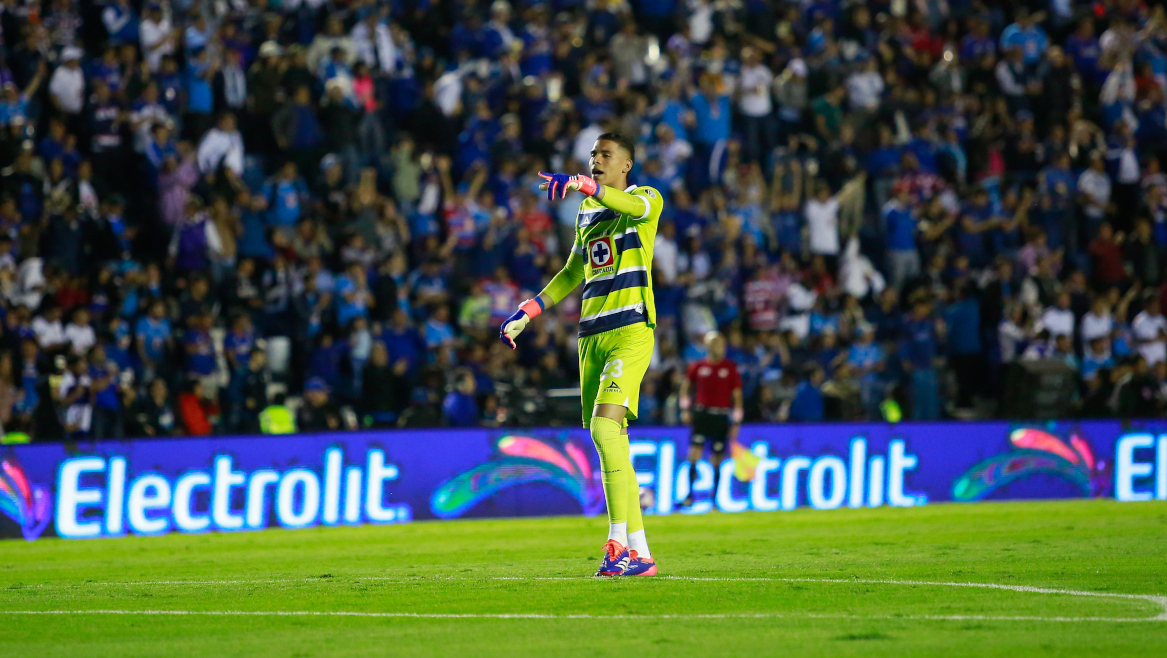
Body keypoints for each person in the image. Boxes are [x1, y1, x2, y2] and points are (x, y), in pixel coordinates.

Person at [502, 133, 661, 577]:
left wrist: (582, 184)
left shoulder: (646, 198)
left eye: (605, 155)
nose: (596, 160)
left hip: (630, 329)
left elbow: (631, 209)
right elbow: (574, 270)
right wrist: (528, 310)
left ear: (626, 165)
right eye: (592, 155)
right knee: (609, 438)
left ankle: (616, 543)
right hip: (590, 336)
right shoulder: (587, 211)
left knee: (606, 426)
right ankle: (641, 553)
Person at [678, 331, 743, 507]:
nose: (719, 347)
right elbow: (685, 388)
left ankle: (714, 500)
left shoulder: (730, 368)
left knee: (717, 458)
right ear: (707, 346)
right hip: (702, 415)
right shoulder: (697, 367)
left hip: (721, 416)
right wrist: (685, 409)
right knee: (694, 455)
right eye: (715, 343)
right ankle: (689, 495)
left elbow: (737, 397)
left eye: (721, 343)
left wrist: (736, 422)